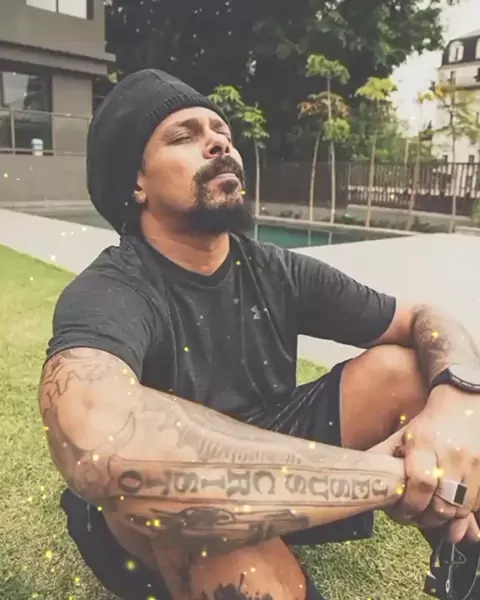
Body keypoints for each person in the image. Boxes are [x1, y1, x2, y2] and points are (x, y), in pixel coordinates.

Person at [39, 69, 480, 600]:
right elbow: (98, 441)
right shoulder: (113, 289)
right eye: (184, 136)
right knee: (199, 518)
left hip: (276, 456)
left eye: (220, 132)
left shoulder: (275, 270)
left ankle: (469, 562)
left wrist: (458, 400)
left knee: (405, 371)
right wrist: (388, 477)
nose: (219, 143)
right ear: (136, 183)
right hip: (157, 513)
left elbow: (424, 316)